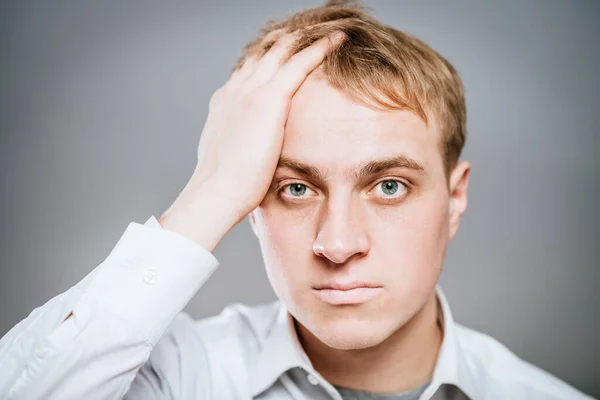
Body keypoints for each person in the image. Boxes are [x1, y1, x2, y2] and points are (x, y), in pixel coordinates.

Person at [0, 1, 594, 399]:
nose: (338, 244)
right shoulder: (178, 378)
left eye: (389, 186)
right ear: (251, 202)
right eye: (296, 188)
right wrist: (211, 189)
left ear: (454, 197)